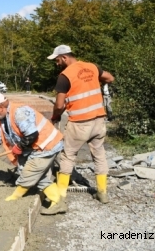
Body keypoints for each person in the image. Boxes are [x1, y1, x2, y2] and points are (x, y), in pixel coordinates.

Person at [0, 93, 66, 215]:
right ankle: (57, 200)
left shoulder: (20, 112)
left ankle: (17, 196)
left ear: (0, 106)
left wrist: (20, 146)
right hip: (33, 147)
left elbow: (32, 135)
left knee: (29, 173)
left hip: (47, 145)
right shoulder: (2, 120)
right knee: (32, 173)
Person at [47, 45, 115, 204]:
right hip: (98, 120)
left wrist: (55, 117)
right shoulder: (92, 67)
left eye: (57, 60)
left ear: (64, 57)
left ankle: (61, 198)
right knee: (99, 155)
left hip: (79, 122)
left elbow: (58, 105)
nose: (57, 63)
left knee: (68, 156)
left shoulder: (65, 76)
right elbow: (110, 78)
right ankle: (102, 193)